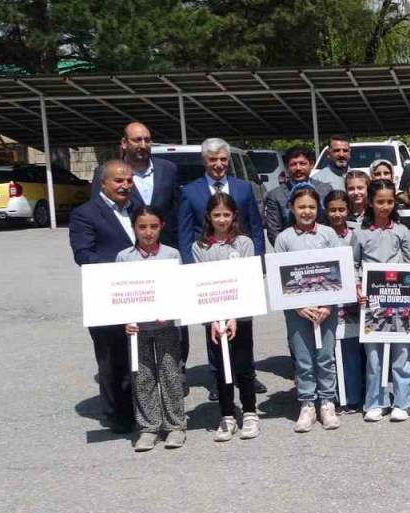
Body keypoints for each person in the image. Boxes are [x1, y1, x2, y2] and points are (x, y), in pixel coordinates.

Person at [69, 160, 140, 434]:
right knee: (112, 358)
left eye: (129, 181)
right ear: (103, 183)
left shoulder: (137, 209)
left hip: (139, 292)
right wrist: (125, 263)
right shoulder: (85, 214)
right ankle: (117, 414)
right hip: (106, 293)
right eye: (118, 181)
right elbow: (83, 254)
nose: (125, 185)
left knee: (139, 353)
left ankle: (140, 408)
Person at [190, 193, 261, 441]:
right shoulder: (199, 247)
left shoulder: (244, 244)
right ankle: (227, 415)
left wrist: (233, 315)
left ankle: (250, 412)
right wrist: (213, 319)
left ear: (234, 216)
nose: (222, 219)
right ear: (209, 216)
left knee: (243, 365)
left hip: (240, 317)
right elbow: (202, 284)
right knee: (221, 367)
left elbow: (247, 280)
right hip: (214, 319)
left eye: (226, 215)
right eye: (217, 215)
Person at [274, 187, 344, 433]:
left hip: (327, 309)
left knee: (325, 357)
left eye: (312, 207)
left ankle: (327, 402)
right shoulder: (283, 239)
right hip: (297, 311)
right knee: (303, 359)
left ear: (318, 209)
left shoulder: (328, 235)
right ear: (292, 208)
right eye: (301, 207)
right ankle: (307, 404)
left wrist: (328, 305)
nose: (306, 212)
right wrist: (297, 306)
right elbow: (278, 277)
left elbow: (339, 271)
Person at [116, 206, 185, 451]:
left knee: (170, 373)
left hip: (165, 325)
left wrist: (171, 311)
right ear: (133, 228)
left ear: (162, 227)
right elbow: (119, 291)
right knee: (142, 376)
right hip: (137, 329)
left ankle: (176, 425)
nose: (148, 232)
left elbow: (180, 289)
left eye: (153, 227)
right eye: (142, 227)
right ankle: (148, 427)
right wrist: (125, 319)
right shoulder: (124, 257)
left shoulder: (171, 254)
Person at [355, 179, 410, 423]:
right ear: (370, 203)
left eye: (390, 201)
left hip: (401, 301)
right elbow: (353, 264)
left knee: (401, 352)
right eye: (380, 201)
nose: (385, 206)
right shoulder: (360, 233)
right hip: (372, 303)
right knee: (374, 356)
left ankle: (402, 402)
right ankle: (375, 401)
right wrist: (358, 287)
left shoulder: (401, 231)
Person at [92, 122, 181, 246]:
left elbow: (177, 210)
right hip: (124, 247)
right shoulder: (104, 172)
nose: (143, 145)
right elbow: (98, 212)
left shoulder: (168, 169)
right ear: (124, 143)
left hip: (165, 247)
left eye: (147, 140)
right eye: (137, 140)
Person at [178, 138, 265, 264]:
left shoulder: (244, 188)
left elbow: (256, 229)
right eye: (213, 159)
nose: (219, 165)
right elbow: (185, 235)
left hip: (241, 259)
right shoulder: (189, 192)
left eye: (223, 159)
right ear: (203, 161)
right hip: (206, 260)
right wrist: (190, 267)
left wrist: (259, 263)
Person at [322, 189, 363, 414]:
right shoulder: (322, 234)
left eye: (341, 209)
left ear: (348, 210)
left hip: (351, 299)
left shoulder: (355, 234)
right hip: (328, 298)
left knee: (351, 349)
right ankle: (335, 396)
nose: (337, 214)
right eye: (332, 210)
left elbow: (359, 263)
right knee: (331, 349)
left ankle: (354, 396)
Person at [264, 146, 330, 246]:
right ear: (287, 167)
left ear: (311, 164)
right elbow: (274, 232)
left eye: (302, 163)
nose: (298, 168)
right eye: (293, 164)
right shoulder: (275, 195)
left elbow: (330, 223)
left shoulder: (325, 190)